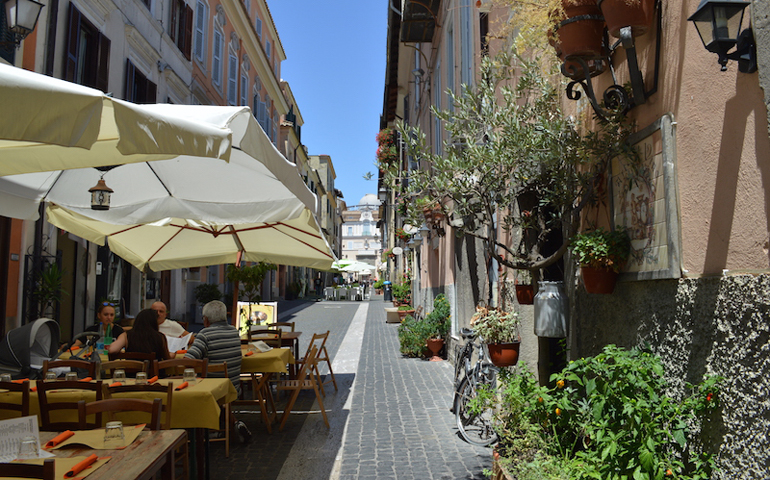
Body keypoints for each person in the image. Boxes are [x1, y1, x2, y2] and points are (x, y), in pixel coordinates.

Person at [184, 300, 251, 443]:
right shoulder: (234, 331)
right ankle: (233, 423)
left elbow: (187, 361)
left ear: (206, 320)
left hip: (214, 389)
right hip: (233, 387)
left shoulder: (205, 334)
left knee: (184, 391)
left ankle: (195, 430)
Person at [107, 309, 172, 361]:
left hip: (131, 375)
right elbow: (167, 359)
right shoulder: (160, 337)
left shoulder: (126, 336)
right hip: (155, 376)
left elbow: (112, 349)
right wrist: (173, 355)